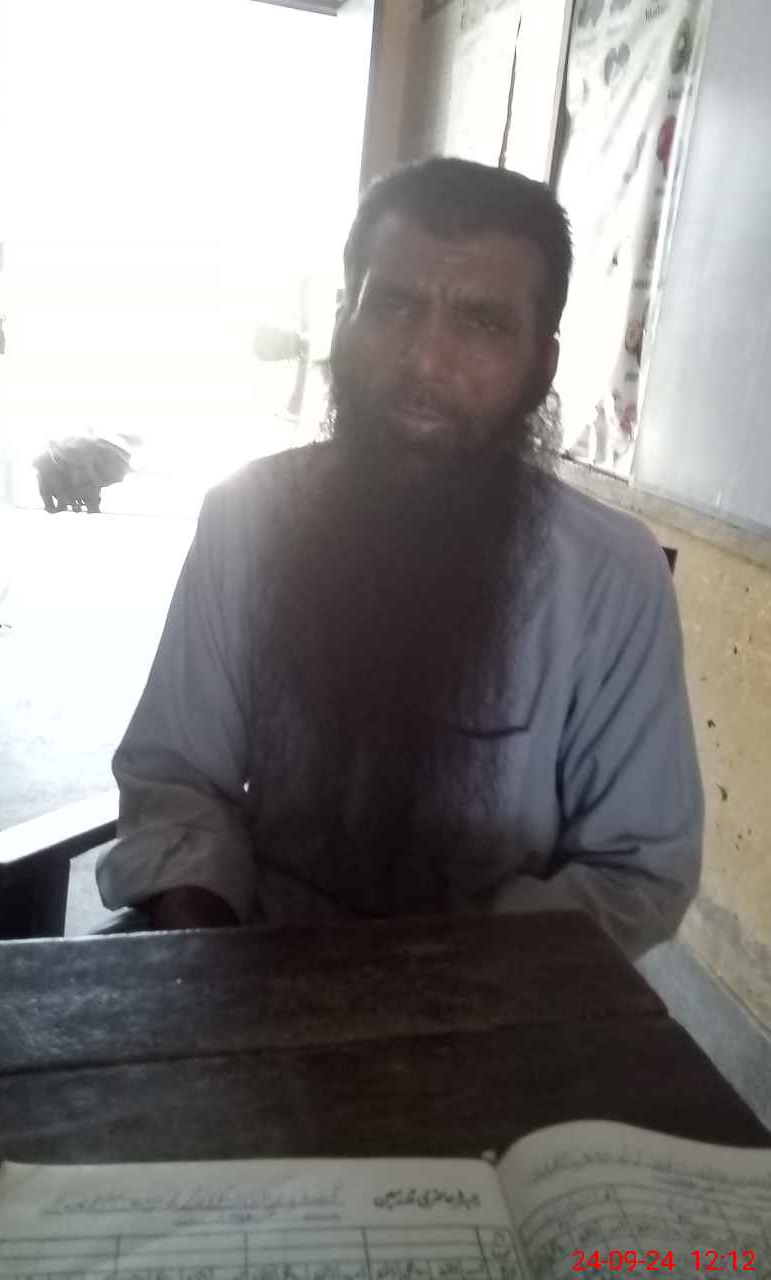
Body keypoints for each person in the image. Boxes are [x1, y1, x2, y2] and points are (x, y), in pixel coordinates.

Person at [97, 158, 703, 959]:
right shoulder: (244, 518)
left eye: (482, 323)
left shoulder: (611, 577)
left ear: (543, 365)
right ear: (343, 322)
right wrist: (209, 954)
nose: (425, 363)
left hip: (500, 987)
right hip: (258, 958)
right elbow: (176, 778)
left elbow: (640, 870)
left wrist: (431, 987)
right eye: (393, 307)